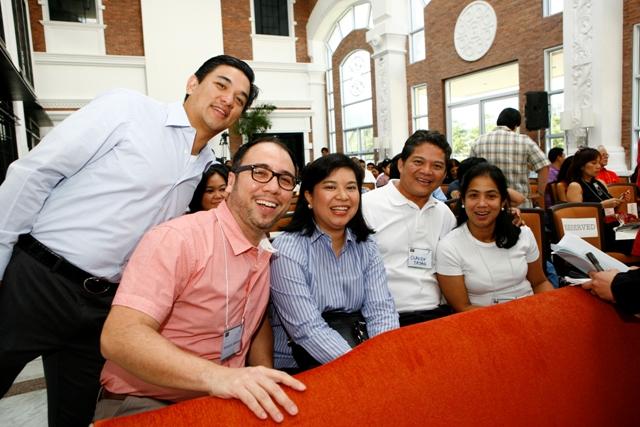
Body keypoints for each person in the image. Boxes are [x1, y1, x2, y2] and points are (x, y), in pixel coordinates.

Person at [0, 54, 257, 427]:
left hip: (106, 307)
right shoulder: (129, 110)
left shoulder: (206, 167)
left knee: (74, 416)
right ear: (192, 83)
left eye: (240, 98)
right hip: (40, 281)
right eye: (221, 84)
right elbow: (34, 173)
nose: (229, 99)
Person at [95, 138, 305, 422]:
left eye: (285, 179)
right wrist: (219, 378)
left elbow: (254, 324)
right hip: (148, 402)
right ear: (231, 181)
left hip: (224, 401)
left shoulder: (264, 251)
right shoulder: (178, 240)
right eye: (260, 172)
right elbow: (119, 337)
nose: (272, 186)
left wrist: (263, 379)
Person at [269, 154, 398, 373]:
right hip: (301, 367)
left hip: (362, 355)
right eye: (330, 187)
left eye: (351, 188)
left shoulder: (366, 245)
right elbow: (307, 328)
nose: (343, 197)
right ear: (309, 195)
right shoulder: (287, 250)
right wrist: (361, 367)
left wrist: (382, 357)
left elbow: (381, 310)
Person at [362, 130, 456, 326]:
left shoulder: (444, 214)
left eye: (437, 166)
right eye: (418, 162)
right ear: (401, 164)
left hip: (436, 315)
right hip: (383, 317)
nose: (427, 171)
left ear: (445, 174)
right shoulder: (366, 206)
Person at [436, 163, 553, 311]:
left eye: (491, 196)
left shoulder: (522, 233)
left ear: (503, 201)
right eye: (473, 196)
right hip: (483, 322)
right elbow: (462, 307)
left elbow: (540, 283)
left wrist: (550, 309)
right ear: (463, 200)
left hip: (531, 311)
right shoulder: (449, 246)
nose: (482, 204)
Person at [470, 107, 549, 208]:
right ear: (516, 125)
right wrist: (540, 193)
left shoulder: (478, 142)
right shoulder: (524, 141)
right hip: (520, 206)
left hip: (488, 205)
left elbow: (470, 171)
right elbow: (544, 166)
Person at [565, 147, 632, 253]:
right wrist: (600, 205)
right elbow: (577, 217)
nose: (598, 166)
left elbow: (610, 208)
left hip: (611, 226)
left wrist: (619, 201)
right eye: (593, 163)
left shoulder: (599, 183)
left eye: (599, 163)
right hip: (597, 231)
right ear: (582, 166)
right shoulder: (575, 186)